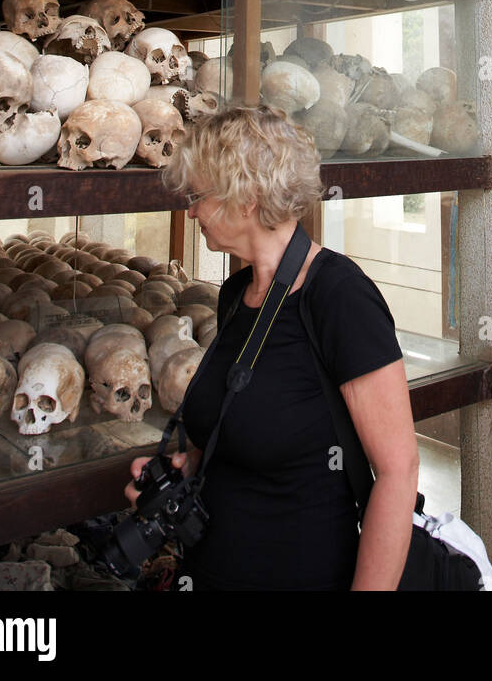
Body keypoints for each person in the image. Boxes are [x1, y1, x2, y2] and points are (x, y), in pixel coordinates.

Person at [125, 102, 419, 591]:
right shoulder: (236, 296)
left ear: (246, 198)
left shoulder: (339, 296)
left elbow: (398, 471)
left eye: (197, 195)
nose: (191, 209)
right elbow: (256, 421)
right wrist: (184, 469)